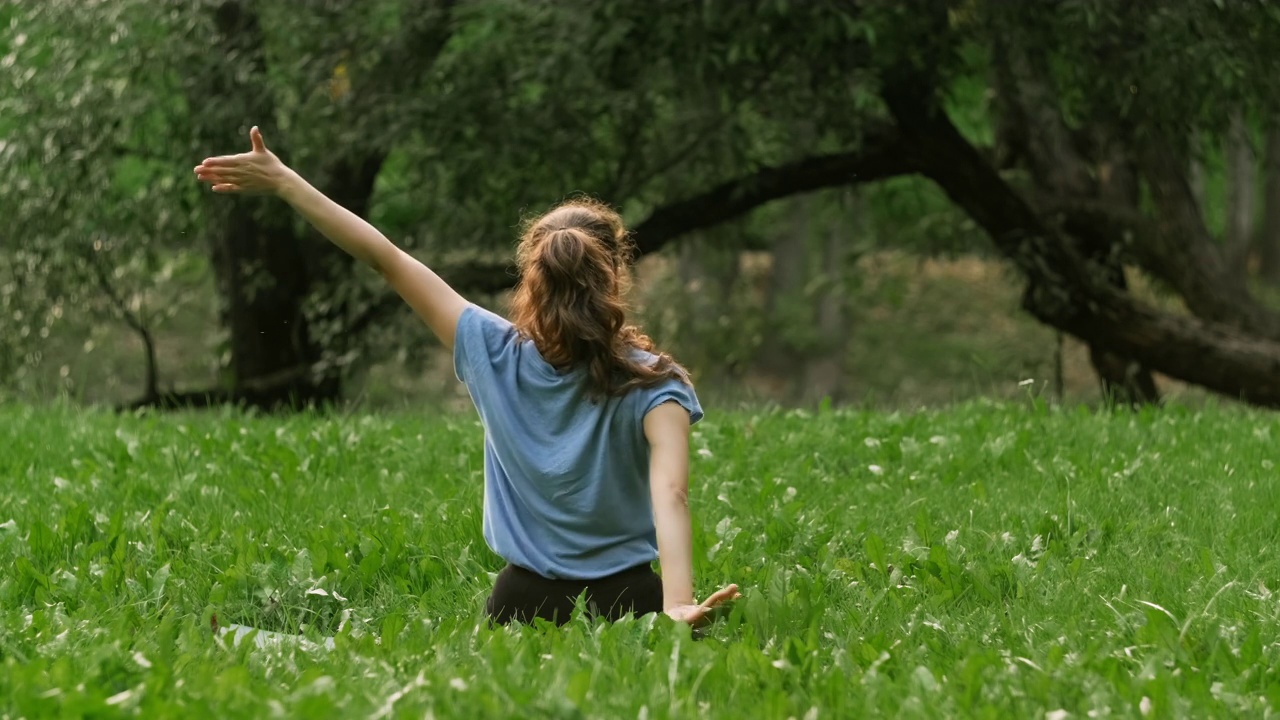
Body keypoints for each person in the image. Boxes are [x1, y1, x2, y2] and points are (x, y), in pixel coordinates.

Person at [194, 128, 741, 627]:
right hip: (631, 603)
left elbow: (385, 257)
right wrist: (675, 605)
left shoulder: (489, 351)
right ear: (617, 275)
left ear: (531, 278)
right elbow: (672, 493)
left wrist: (287, 182)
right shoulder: (657, 383)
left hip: (521, 603)